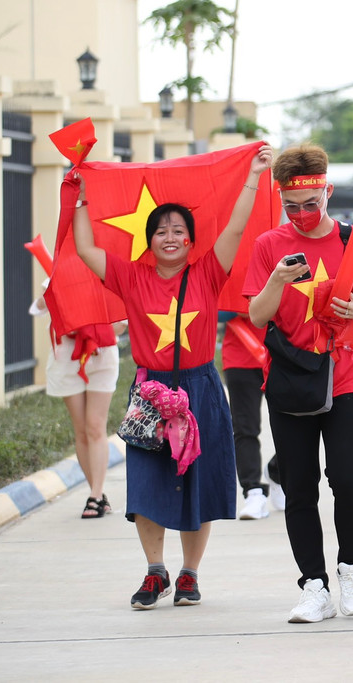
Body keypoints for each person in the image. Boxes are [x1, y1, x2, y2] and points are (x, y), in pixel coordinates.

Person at [74, 144, 273, 610]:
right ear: (149, 241)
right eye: (160, 230)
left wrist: (253, 174)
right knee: (146, 485)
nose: (169, 236)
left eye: (178, 230)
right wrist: (81, 197)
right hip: (149, 393)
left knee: (198, 484)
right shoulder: (129, 277)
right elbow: (85, 248)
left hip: (201, 390)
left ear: (190, 240)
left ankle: (189, 575)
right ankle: (154, 571)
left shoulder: (207, 272)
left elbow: (238, 227)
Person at [245, 144, 353, 623]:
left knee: (347, 476)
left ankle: (351, 570)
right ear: (280, 200)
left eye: (311, 203)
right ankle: (313, 586)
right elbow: (255, 315)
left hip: (346, 372)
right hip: (290, 377)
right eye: (292, 206)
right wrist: (277, 283)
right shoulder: (268, 245)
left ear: (327, 192)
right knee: (299, 485)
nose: (303, 214)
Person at [29, 296, 123, 519]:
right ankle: (97, 494)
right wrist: (57, 293)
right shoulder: (59, 276)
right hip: (66, 359)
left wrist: (93, 317)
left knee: (95, 426)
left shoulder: (106, 276)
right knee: (81, 430)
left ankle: (96, 495)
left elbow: (119, 327)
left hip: (102, 354)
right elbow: (38, 308)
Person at [222, 312, 281, 519]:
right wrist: (243, 305)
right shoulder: (228, 276)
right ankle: (253, 492)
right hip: (241, 355)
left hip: (284, 354)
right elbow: (215, 310)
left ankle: (277, 472)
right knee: (245, 428)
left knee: (298, 427)